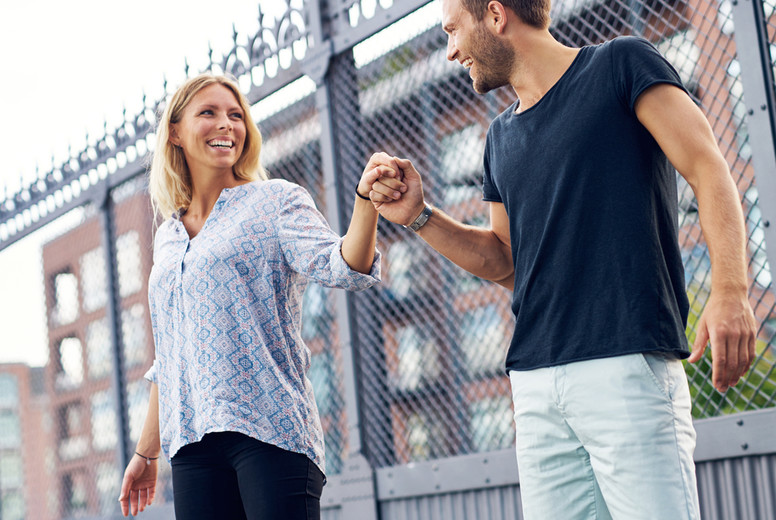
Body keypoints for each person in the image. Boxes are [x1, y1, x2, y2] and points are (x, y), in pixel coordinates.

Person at [365, 0, 757, 518]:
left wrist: (730, 291)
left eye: (453, 31)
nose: (450, 51)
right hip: (535, 386)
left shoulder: (622, 64)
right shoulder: (499, 137)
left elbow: (708, 167)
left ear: (496, 15)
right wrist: (419, 216)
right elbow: (506, 261)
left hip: (627, 368)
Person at [117, 73, 395, 519]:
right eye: (208, 113)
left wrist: (365, 202)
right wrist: (146, 454)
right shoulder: (168, 237)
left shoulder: (275, 201)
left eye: (236, 115)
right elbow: (169, 357)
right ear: (174, 131)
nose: (226, 124)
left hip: (271, 432)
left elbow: (343, 265)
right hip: (192, 447)